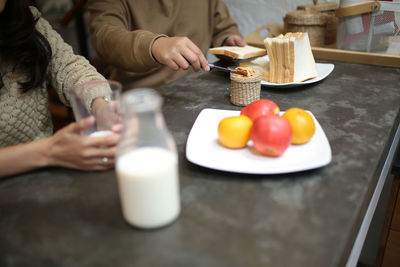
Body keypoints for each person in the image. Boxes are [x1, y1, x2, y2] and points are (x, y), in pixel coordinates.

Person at [0, 0, 119, 178]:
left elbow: (68, 67)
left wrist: (101, 105)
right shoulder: (51, 152)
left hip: (44, 180)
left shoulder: (26, 21)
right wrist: (50, 151)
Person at [87, 0, 247, 89]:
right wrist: (154, 45)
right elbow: (104, 37)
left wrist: (228, 38)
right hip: (143, 97)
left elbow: (221, 23)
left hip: (196, 86)